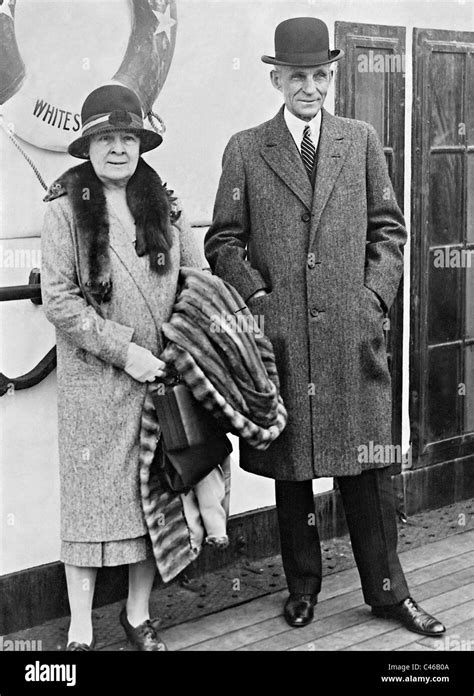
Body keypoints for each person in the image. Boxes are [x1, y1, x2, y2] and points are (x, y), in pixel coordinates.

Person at [204, 17, 445, 636]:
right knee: (293, 473)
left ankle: (389, 593)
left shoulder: (359, 140)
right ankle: (303, 587)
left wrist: (372, 299)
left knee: (365, 470)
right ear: (276, 78)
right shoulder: (245, 149)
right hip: (282, 337)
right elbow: (223, 240)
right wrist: (259, 299)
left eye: (320, 76)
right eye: (297, 77)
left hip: (349, 334)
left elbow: (389, 230)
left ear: (331, 77)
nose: (309, 87)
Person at [41, 84, 207, 651]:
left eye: (128, 137)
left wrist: (178, 346)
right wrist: (125, 351)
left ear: (141, 144)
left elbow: (197, 278)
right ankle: (81, 628)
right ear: (87, 145)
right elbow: (62, 302)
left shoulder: (168, 203)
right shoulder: (63, 212)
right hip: (96, 381)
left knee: (151, 502)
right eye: (106, 137)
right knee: (90, 505)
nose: (118, 148)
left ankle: (137, 615)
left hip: (160, 379)